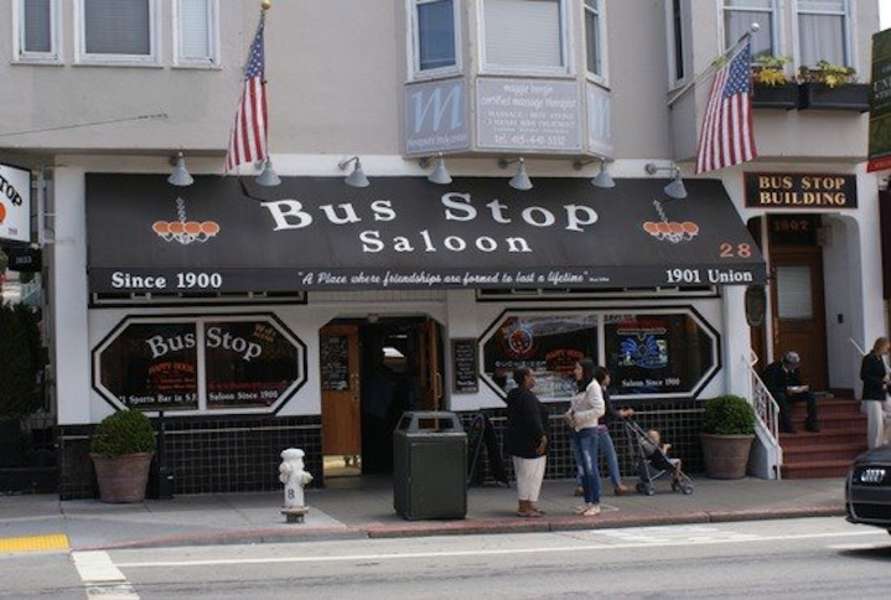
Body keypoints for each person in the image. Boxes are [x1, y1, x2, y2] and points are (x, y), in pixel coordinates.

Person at [572, 367, 631, 497]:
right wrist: (623, 413)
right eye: (608, 376)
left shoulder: (584, 388)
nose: (609, 378)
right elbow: (606, 410)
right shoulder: (599, 390)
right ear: (603, 377)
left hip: (586, 427)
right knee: (610, 456)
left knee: (587, 458)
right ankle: (617, 484)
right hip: (599, 428)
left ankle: (582, 484)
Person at [504, 367, 548, 518]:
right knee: (530, 474)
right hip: (530, 442)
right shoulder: (526, 396)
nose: (534, 379)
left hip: (517, 441)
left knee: (525, 473)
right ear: (525, 378)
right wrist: (541, 436)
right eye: (531, 376)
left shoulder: (514, 394)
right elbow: (532, 417)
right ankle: (524, 505)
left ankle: (529, 504)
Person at [567, 359, 605, 517]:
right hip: (577, 430)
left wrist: (578, 416)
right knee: (582, 469)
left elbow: (600, 409)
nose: (575, 371)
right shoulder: (581, 386)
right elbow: (575, 406)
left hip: (588, 431)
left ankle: (596, 503)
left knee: (590, 468)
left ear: (585, 370)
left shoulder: (593, 386)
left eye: (578, 368)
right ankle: (588, 502)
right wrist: (569, 414)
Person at [762, 351, 820, 433]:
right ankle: (787, 425)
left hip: (791, 393)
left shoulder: (794, 370)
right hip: (778, 394)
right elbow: (771, 386)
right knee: (780, 396)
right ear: (786, 363)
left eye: (796, 364)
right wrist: (786, 389)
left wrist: (802, 388)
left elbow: (798, 382)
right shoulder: (773, 369)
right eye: (793, 365)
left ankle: (812, 422)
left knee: (810, 395)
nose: (795, 367)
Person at [860, 337, 891, 449]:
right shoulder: (868, 358)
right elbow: (864, 376)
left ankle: (885, 442)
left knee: (888, 418)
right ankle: (874, 448)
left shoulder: (880, 359)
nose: (888, 350)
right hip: (872, 394)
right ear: (881, 346)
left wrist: (886, 380)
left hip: (882, 393)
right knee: (876, 423)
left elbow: (882, 376)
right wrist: (881, 381)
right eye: (887, 347)